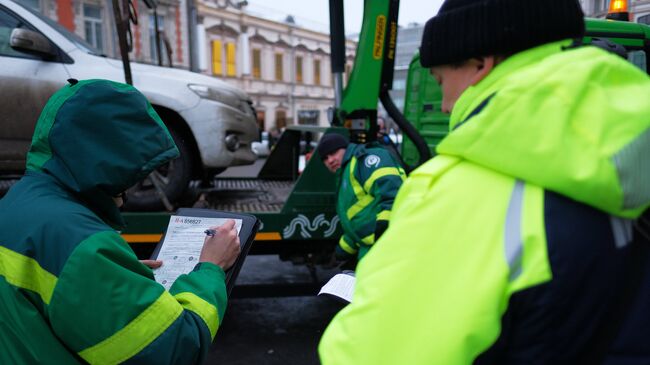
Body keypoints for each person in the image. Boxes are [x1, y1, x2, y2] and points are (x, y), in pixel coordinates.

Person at [319, 0, 650, 363]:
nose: (444, 105)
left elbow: (369, 354)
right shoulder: (634, 147)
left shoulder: (457, 191)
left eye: (442, 81)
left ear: (480, 63)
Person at [0, 79, 241, 364]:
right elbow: (175, 349)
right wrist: (211, 268)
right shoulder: (81, 244)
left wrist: (113, 274)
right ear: (105, 163)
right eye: (129, 175)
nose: (127, 193)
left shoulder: (15, 204)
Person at [317, 133, 406, 262]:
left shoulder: (364, 160)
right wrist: (341, 251)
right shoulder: (345, 175)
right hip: (371, 251)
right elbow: (358, 222)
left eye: (334, 152)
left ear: (345, 148)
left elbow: (394, 195)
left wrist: (383, 231)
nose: (330, 160)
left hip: (387, 248)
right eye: (325, 158)